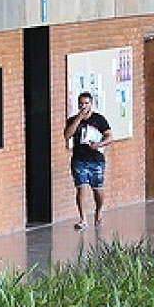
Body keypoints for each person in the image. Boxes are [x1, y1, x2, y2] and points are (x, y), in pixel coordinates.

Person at [63, 91, 113, 230]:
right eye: (81, 104)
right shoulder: (73, 119)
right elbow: (67, 135)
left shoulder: (99, 120)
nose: (83, 106)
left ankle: (99, 211)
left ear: (91, 104)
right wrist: (79, 118)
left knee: (97, 189)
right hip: (79, 158)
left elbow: (109, 136)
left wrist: (98, 145)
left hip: (96, 159)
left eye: (86, 103)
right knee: (81, 188)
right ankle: (83, 219)